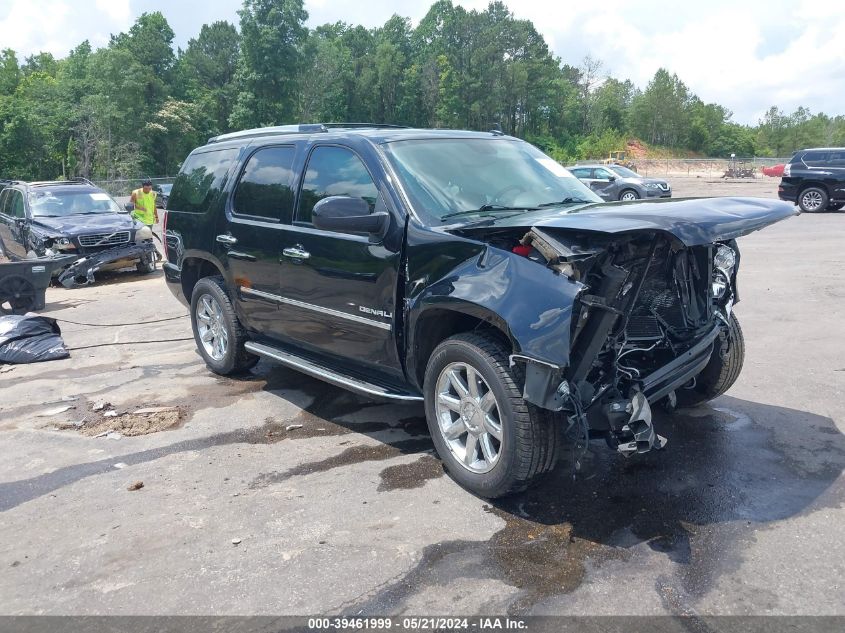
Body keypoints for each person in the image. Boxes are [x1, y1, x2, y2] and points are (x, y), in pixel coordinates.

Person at [130, 178, 161, 260]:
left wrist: (156, 216)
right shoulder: (136, 193)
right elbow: (130, 205)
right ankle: (145, 257)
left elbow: (154, 206)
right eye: (146, 188)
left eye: (150, 188)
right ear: (142, 187)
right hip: (139, 219)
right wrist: (138, 207)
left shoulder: (153, 194)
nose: (148, 190)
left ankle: (152, 257)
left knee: (149, 239)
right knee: (140, 239)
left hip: (149, 220)